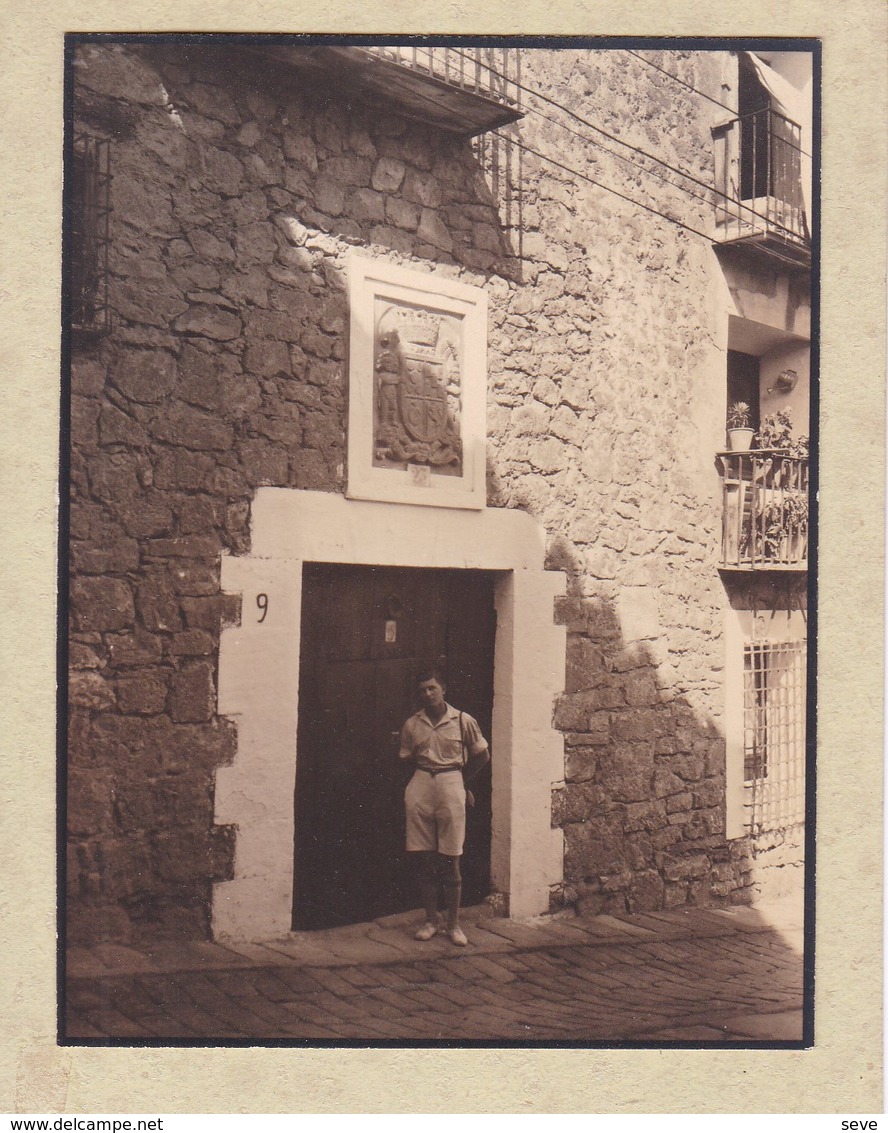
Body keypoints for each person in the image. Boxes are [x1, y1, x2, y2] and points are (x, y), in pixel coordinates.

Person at [399, 665, 490, 946]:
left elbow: (482, 756)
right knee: (425, 858)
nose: (428, 694)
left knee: (451, 858)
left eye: (432, 688)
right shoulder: (412, 724)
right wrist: (417, 786)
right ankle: (430, 919)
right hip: (422, 783)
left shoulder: (463, 720)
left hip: (452, 783)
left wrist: (462, 783)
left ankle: (453, 924)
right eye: (423, 690)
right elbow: (405, 759)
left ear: (443, 690)